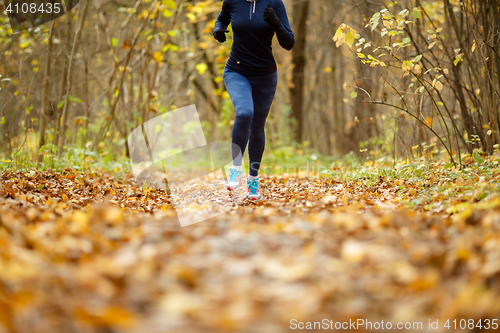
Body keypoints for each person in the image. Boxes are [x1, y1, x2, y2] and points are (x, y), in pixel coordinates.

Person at [213, 0, 294, 200]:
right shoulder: (232, 1)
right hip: (236, 71)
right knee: (244, 112)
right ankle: (235, 168)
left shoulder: (274, 3)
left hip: (265, 76)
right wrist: (219, 29)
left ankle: (253, 180)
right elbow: (222, 18)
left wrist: (276, 23)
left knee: (257, 127)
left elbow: (289, 42)